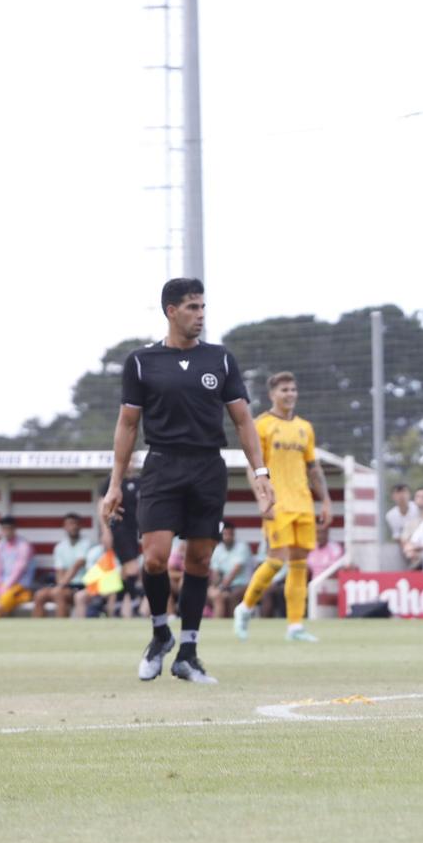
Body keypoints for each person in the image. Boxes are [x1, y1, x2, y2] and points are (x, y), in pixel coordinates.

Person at [99, 279, 273, 683]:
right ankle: (161, 633)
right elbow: (127, 424)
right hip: (161, 466)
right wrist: (114, 484)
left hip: (207, 468)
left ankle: (188, 653)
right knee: (155, 557)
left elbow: (243, 420)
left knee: (199, 560)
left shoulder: (221, 359)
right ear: (171, 310)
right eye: (192, 307)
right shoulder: (142, 362)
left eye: (202, 307)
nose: (200, 315)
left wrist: (260, 472)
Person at [231, 372, 331, 643]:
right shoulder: (261, 425)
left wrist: (325, 500)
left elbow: (313, 467)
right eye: (285, 389)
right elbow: (253, 465)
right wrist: (262, 497)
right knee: (276, 559)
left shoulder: (304, 428)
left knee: (299, 564)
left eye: (293, 389)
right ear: (273, 393)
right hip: (278, 502)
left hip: (303, 503)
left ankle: (295, 626)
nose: (290, 394)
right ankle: (245, 608)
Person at [36, 515, 97, 618]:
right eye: (70, 524)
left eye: (75, 524)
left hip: (81, 585)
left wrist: (60, 586)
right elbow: (59, 570)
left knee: (59, 594)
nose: (73, 527)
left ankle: (62, 628)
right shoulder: (60, 547)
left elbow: (78, 565)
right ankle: (37, 629)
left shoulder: (87, 543)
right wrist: (60, 585)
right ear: (64, 527)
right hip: (64, 585)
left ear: (80, 526)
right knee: (40, 595)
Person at [207, 523, 253, 618]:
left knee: (233, 596)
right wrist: (215, 586)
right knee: (217, 596)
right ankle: (217, 625)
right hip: (224, 586)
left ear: (234, 535)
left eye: (230, 534)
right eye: (225, 534)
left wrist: (222, 587)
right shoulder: (218, 549)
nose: (227, 537)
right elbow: (216, 573)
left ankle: (235, 622)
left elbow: (235, 571)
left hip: (242, 584)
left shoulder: (242, 547)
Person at [384, 484, 418, 552]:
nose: (401, 495)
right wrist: (408, 548)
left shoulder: (417, 508)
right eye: (398, 493)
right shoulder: (390, 515)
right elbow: (397, 536)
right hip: (406, 547)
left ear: (409, 494)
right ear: (393, 496)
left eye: (404, 492)